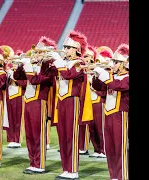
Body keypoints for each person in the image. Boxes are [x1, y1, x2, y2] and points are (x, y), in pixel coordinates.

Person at [48, 30, 94, 179]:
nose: (65, 50)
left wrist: (58, 60)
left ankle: (73, 170)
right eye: (65, 47)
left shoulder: (79, 63)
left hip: (72, 102)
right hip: (61, 102)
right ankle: (66, 168)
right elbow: (49, 73)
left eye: (68, 47)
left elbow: (69, 75)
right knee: (62, 136)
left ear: (76, 49)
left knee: (71, 136)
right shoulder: (65, 62)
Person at [14, 36, 57, 174]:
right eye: (36, 52)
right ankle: (32, 162)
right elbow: (17, 77)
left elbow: (35, 80)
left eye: (40, 52)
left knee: (38, 134)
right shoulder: (32, 65)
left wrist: (27, 65)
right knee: (29, 135)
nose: (36, 54)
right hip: (28, 101)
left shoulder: (50, 69)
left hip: (39, 102)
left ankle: (39, 164)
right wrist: (21, 65)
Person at [92, 43, 129, 180]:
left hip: (121, 116)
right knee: (111, 149)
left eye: (116, 62)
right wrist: (96, 75)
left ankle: (122, 176)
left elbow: (116, 85)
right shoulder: (112, 76)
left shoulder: (126, 77)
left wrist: (104, 74)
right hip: (108, 115)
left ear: (123, 64)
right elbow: (100, 87)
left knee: (120, 149)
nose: (112, 64)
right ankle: (113, 176)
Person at [87, 48, 113, 158]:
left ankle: (104, 150)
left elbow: (105, 90)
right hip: (89, 103)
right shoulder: (91, 74)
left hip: (99, 102)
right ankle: (97, 149)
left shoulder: (106, 74)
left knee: (101, 128)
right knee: (91, 128)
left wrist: (95, 91)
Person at [4, 49, 27, 148]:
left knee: (18, 119)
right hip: (9, 95)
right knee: (9, 118)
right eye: (13, 62)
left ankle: (17, 139)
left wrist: (16, 80)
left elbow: (26, 83)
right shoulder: (8, 71)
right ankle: (11, 139)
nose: (14, 64)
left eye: (16, 62)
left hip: (19, 95)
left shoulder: (23, 72)